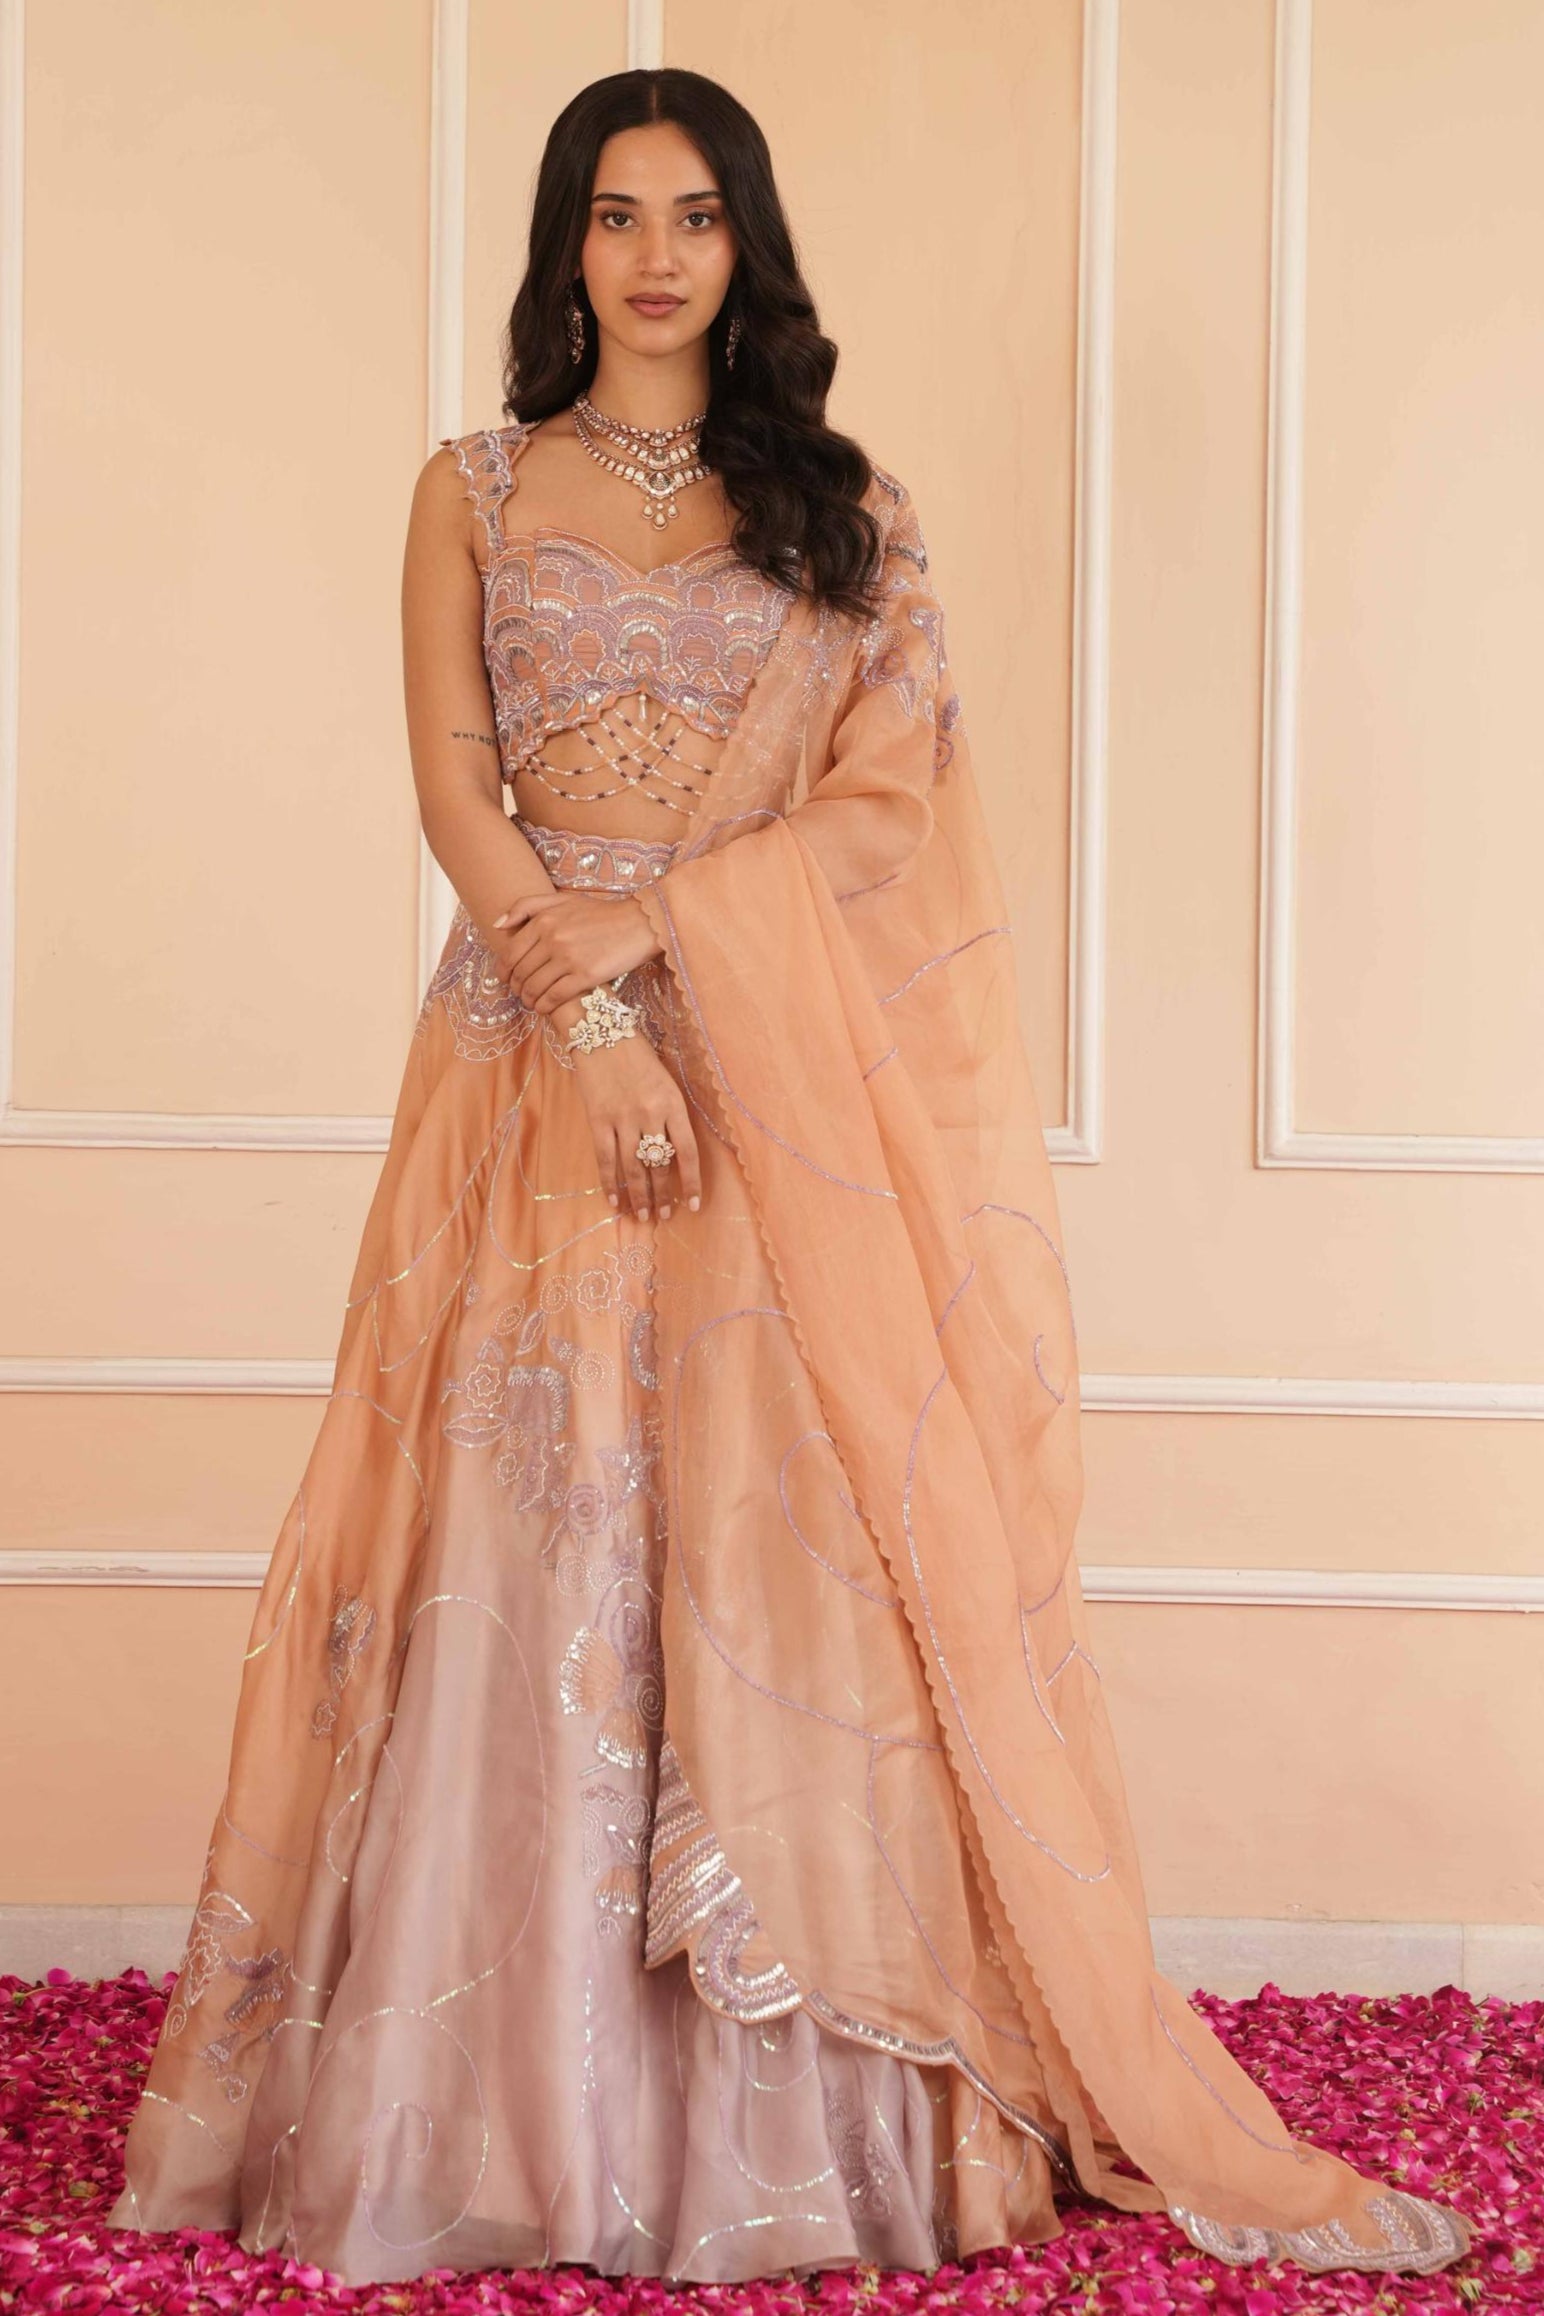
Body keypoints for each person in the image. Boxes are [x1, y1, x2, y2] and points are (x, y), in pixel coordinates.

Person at [105, 66, 1471, 2290]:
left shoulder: (846, 509)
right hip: (527, 1059)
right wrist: (587, 1019)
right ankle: (508, 2099)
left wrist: (660, 938)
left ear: (746, 243)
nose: (656, 254)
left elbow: (881, 801)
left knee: (779, 1524)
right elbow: (455, 786)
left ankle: (804, 2104)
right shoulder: (472, 486)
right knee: (530, 1510)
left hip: (770, 1076)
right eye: (615, 212)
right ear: (564, 244)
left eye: (697, 213)